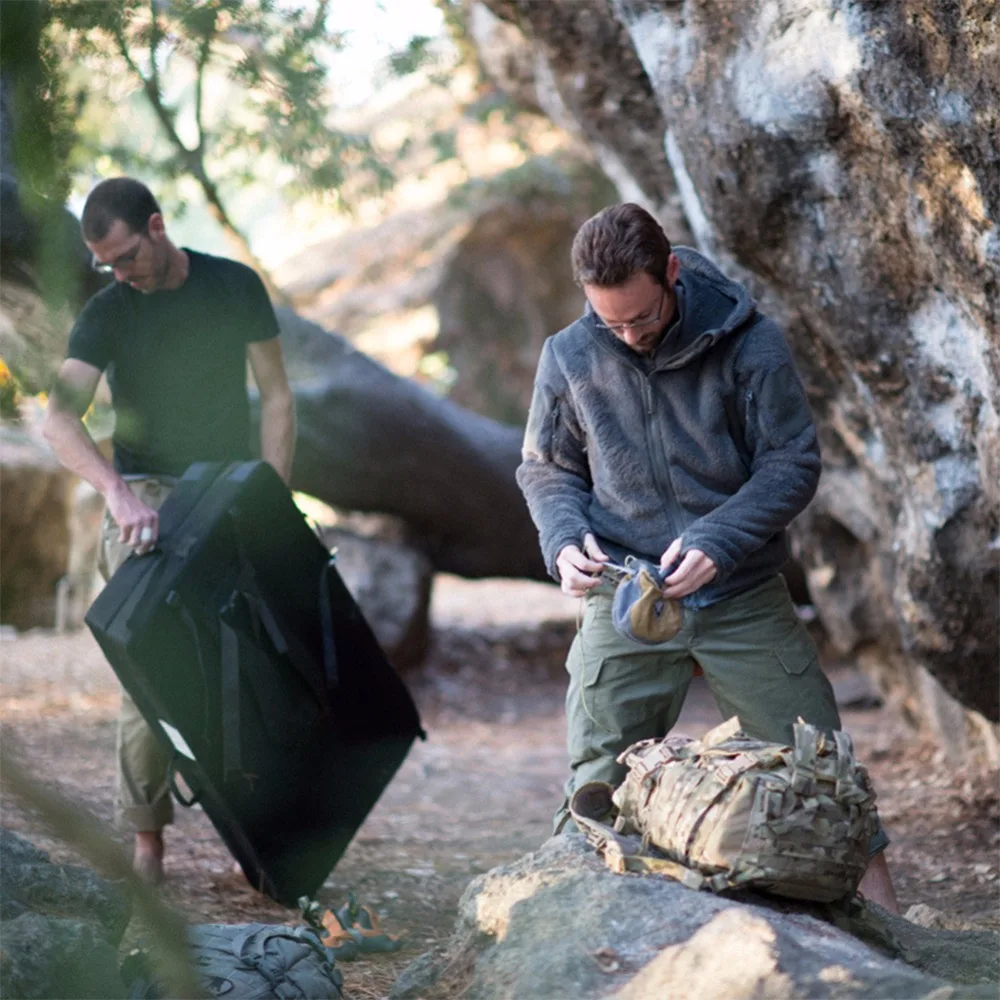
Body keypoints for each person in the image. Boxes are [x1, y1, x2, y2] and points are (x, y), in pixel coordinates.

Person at [516, 202, 899, 912]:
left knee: (821, 777)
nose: (628, 337)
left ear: (671, 274)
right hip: (623, 595)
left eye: (642, 318)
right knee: (595, 791)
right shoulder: (569, 354)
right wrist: (562, 540)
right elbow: (546, 469)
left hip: (742, 595)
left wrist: (717, 539)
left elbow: (791, 463)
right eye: (612, 323)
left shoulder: (749, 342)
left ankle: (903, 945)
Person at [43, 177, 296, 884]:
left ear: (156, 226)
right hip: (146, 497)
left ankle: (269, 834)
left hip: (228, 487)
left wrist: (271, 493)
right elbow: (58, 420)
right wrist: (117, 495)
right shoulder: (107, 313)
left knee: (257, 659)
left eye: (126, 256)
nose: (120, 274)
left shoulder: (234, 286)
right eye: (107, 265)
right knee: (149, 667)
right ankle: (147, 839)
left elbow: (276, 396)